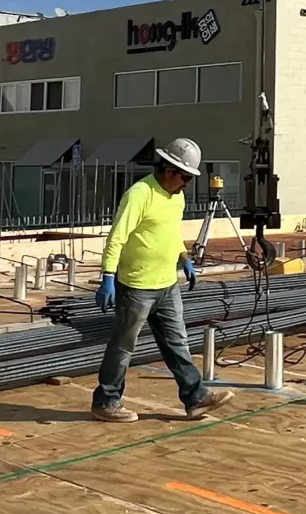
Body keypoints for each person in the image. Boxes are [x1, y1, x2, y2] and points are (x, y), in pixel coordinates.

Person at [91, 137, 233, 423]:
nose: (186, 184)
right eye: (185, 177)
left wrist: (184, 257)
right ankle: (106, 402)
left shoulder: (176, 196)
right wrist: (107, 276)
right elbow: (117, 237)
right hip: (137, 287)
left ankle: (196, 398)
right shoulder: (139, 194)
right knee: (123, 347)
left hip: (167, 285)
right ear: (169, 170)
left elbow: (170, 232)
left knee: (177, 343)